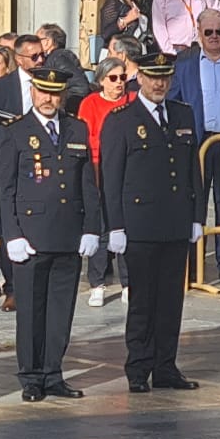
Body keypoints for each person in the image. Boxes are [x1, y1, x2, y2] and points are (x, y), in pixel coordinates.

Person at [0, 68, 102, 402]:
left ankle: (53, 372)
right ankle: (30, 376)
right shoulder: (15, 132)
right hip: (30, 236)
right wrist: (11, 235)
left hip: (67, 233)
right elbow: (6, 188)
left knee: (60, 311)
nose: (48, 99)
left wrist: (91, 228)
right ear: (33, 92)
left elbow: (88, 183)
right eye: (43, 92)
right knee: (30, 312)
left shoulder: (76, 128)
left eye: (55, 93)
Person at [100, 53, 204, 393]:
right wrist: (115, 225)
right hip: (140, 225)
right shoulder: (122, 119)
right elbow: (112, 177)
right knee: (142, 301)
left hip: (175, 222)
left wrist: (197, 217)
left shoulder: (182, 114)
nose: (159, 83)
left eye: (165, 77)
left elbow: (193, 172)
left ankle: (165, 366)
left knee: (171, 301)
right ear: (139, 78)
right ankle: (138, 367)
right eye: (152, 77)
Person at [168, 12, 220, 284]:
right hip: (199, 143)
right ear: (198, 31)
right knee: (194, 204)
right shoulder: (185, 64)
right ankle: (191, 265)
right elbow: (174, 100)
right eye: (209, 32)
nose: (215, 37)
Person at [77, 58, 133, 306]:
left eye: (122, 77)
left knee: (126, 227)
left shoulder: (132, 101)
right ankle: (97, 283)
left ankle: (129, 283)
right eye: (113, 78)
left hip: (127, 168)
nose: (119, 83)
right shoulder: (90, 104)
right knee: (100, 227)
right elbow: (86, 137)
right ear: (101, 80)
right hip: (99, 167)